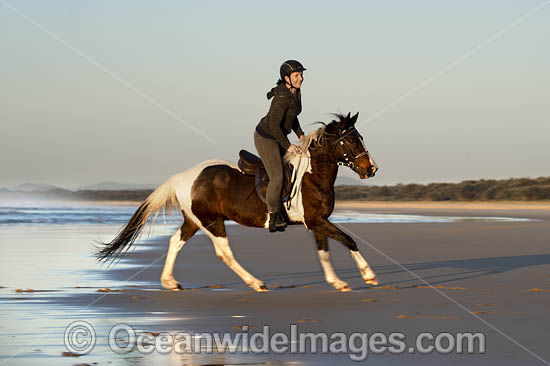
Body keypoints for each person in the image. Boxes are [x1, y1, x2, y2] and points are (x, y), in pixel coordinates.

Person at [254, 60, 306, 232]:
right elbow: (275, 126)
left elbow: (292, 116)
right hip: (267, 137)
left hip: (279, 137)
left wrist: (300, 134)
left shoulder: (296, 92)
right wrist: (289, 145)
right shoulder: (282, 97)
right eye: (297, 75)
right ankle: (273, 216)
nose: (301, 78)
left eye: (301, 75)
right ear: (286, 78)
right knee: (277, 177)